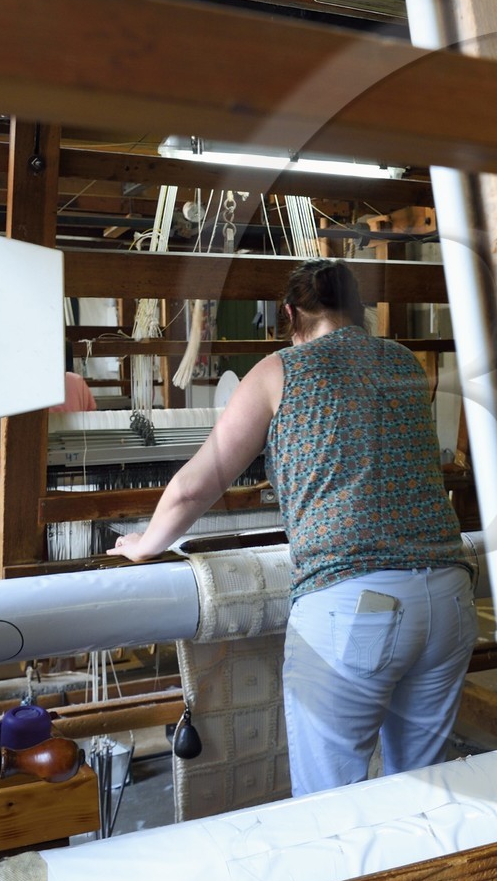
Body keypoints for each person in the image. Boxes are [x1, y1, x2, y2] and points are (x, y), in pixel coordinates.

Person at [109, 258, 475, 794]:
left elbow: (196, 485)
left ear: (289, 314)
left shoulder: (281, 370)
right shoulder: (403, 362)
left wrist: (146, 544)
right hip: (449, 597)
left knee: (329, 812)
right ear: (359, 311)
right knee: (420, 800)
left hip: (354, 606)